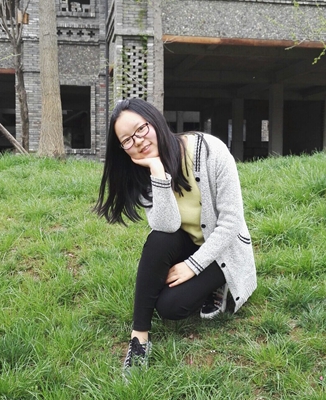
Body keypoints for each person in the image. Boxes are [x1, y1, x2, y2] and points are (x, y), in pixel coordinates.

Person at [94, 98, 257, 376]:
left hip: (223, 250)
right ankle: (139, 339)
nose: (138, 141)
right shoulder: (143, 171)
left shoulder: (210, 151)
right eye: (127, 140)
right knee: (159, 251)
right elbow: (166, 226)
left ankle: (218, 284)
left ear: (154, 120)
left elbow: (231, 222)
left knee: (172, 306)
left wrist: (193, 266)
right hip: (185, 243)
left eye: (141, 129)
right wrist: (158, 172)